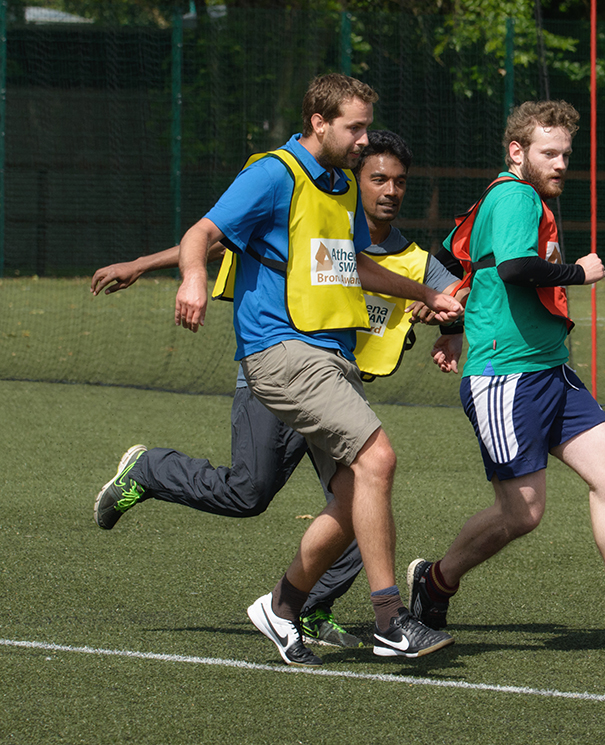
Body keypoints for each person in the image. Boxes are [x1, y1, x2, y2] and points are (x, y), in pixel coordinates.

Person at [91, 130, 463, 652]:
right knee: (249, 493)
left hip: (334, 380)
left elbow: (457, 293)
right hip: (280, 371)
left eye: (400, 182)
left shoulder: (412, 258)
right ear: (354, 177)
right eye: (379, 178)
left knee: (360, 494)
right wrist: (144, 265)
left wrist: (451, 325)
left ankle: (308, 609)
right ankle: (150, 471)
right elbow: (215, 237)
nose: (390, 191)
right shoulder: (306, 205)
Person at [409, 100, 605, 645]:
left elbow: (453, 257)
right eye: (549, 153)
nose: (561, 163)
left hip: (551, 371)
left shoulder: (504, 197)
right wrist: (578, 272)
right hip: (506, 378)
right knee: (522, 514)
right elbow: (516, 269)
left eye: (566, 154)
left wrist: (454, 323)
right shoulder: (515, 196)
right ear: (517, 152)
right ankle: (435, 582)